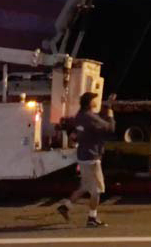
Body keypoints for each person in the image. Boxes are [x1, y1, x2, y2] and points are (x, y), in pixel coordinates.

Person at [57, 92, 115, 227]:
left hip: (83, 156)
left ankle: (66, 206)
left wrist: (107, 105)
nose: (97, 101)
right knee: (97, 190)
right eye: (95, 100)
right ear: (90, 103)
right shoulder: (90, 118)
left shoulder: (80, 116)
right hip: (92, 158)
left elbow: (96, 121)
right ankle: (92, 218)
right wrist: (111, 110)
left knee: (85, 186)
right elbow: (110, 128)